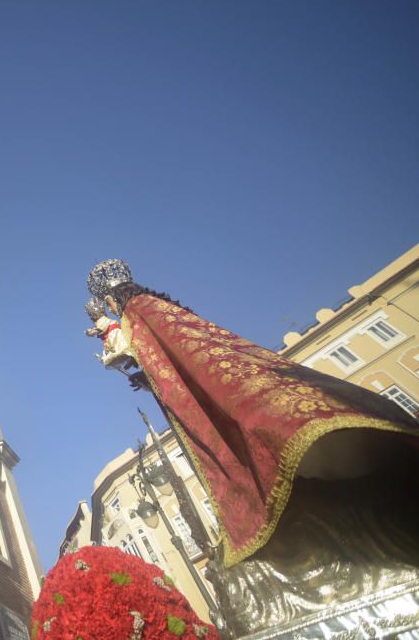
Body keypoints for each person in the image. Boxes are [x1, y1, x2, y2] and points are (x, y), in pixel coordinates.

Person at [87, 260, 419, 635]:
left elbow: (159, 355)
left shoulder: (140, 311)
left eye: (110, 305)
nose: (112, 311)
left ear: (116, 298)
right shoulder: (156, 309)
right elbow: (165, 362)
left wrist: (117, 345)